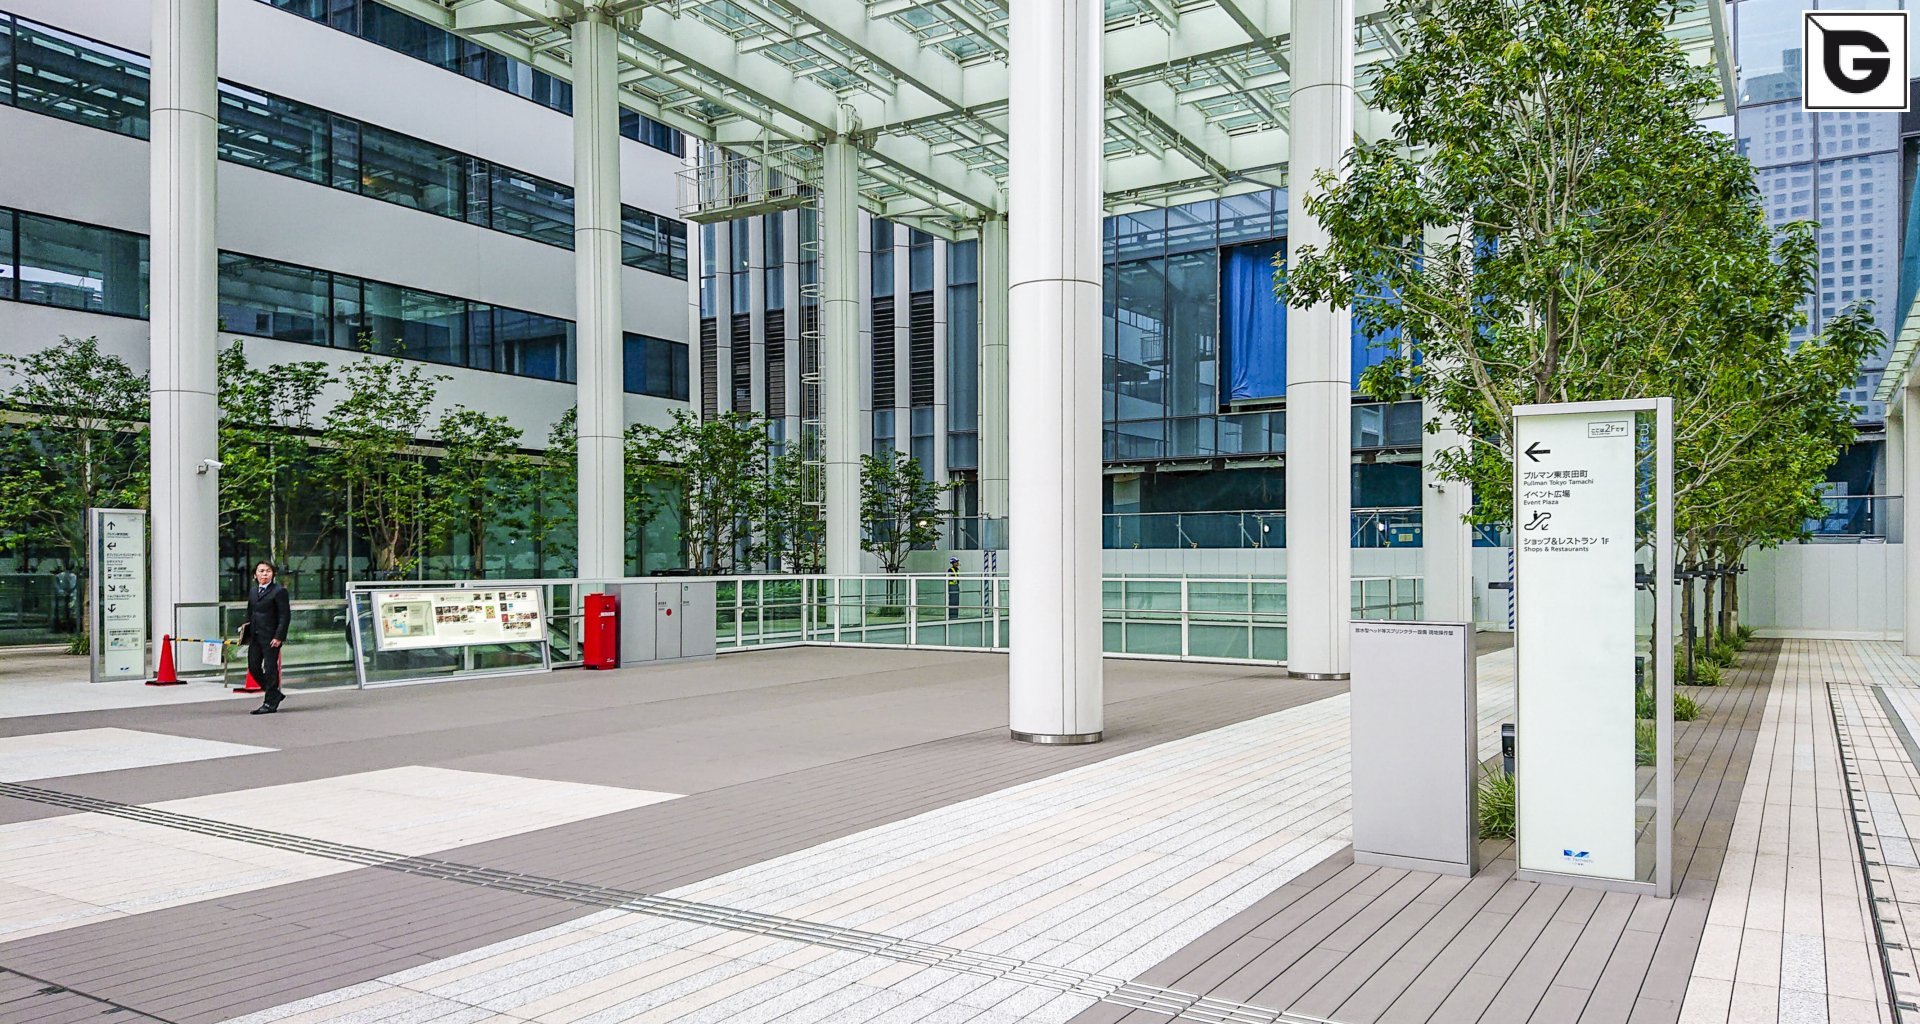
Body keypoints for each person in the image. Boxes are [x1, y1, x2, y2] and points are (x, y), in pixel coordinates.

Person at [241, 561, 291, 715]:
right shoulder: (253, 591)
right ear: (255, 574)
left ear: (273, 574)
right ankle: (274, 693)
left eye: (268, 571)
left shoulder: (279, 591)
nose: (264, 574)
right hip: (255, 636)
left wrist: (279, 636)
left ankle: (269, 702)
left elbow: (285, 616)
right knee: (253, 667)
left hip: (271, 637)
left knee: (270, 669)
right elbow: (251, 612)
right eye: (261, 571)